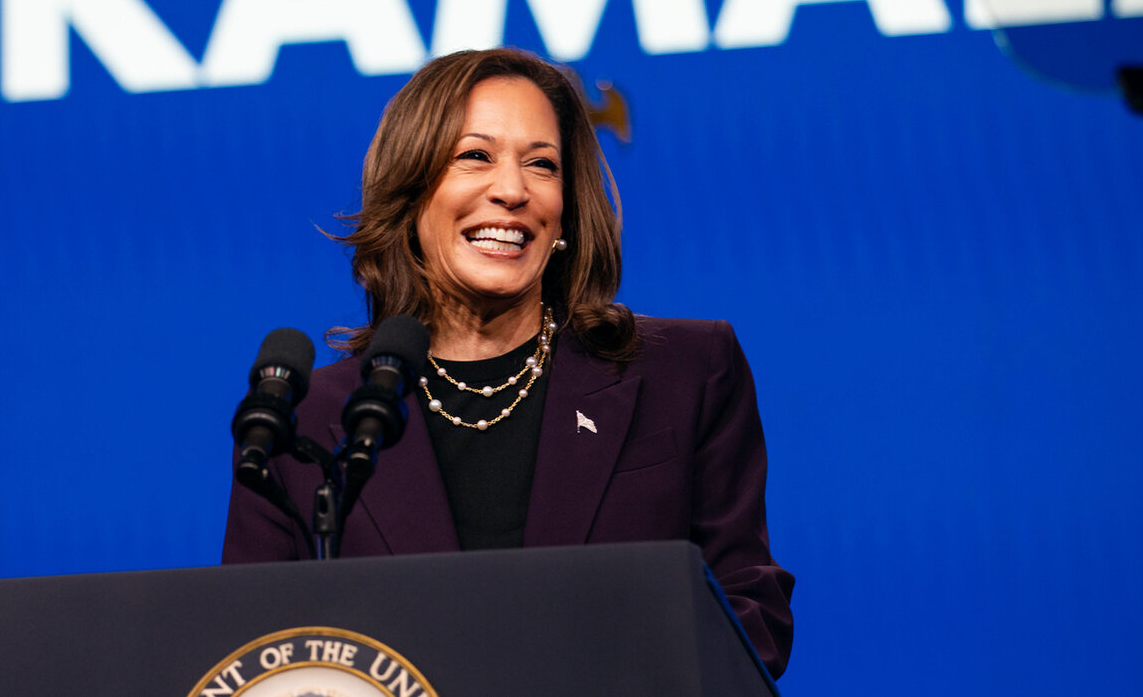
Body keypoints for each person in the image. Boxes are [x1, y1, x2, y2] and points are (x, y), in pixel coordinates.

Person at [222, 48, 794, 677]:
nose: (513, 191)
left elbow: (750, 614)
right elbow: (258, 658)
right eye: (475, 156)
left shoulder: (685, 372)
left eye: (541, 166)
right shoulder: (309, 424)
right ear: (412, 194)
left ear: (566, 212)